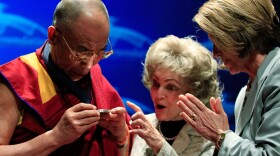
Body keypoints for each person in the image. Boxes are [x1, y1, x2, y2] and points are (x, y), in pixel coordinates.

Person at [0, 0, 131, 155]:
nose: (89, 65)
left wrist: (121, 135)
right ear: (53, 36)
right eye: (81, 52)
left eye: (101, 52)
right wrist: (56, 136)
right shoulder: (18, 79)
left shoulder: (94, 77)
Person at [177, 0, 280, 155]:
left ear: (240, 33)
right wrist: (222, 139)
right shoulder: (243, 95)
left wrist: (220, 136)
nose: (215, 53)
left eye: (219, 42)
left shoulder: (277, 73)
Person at [127, 35, 221, 156]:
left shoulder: (209, 137)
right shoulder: (144, 125)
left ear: (194, 92)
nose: (158, 94)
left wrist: (161, 146)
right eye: (156, 83)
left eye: (171, 87)